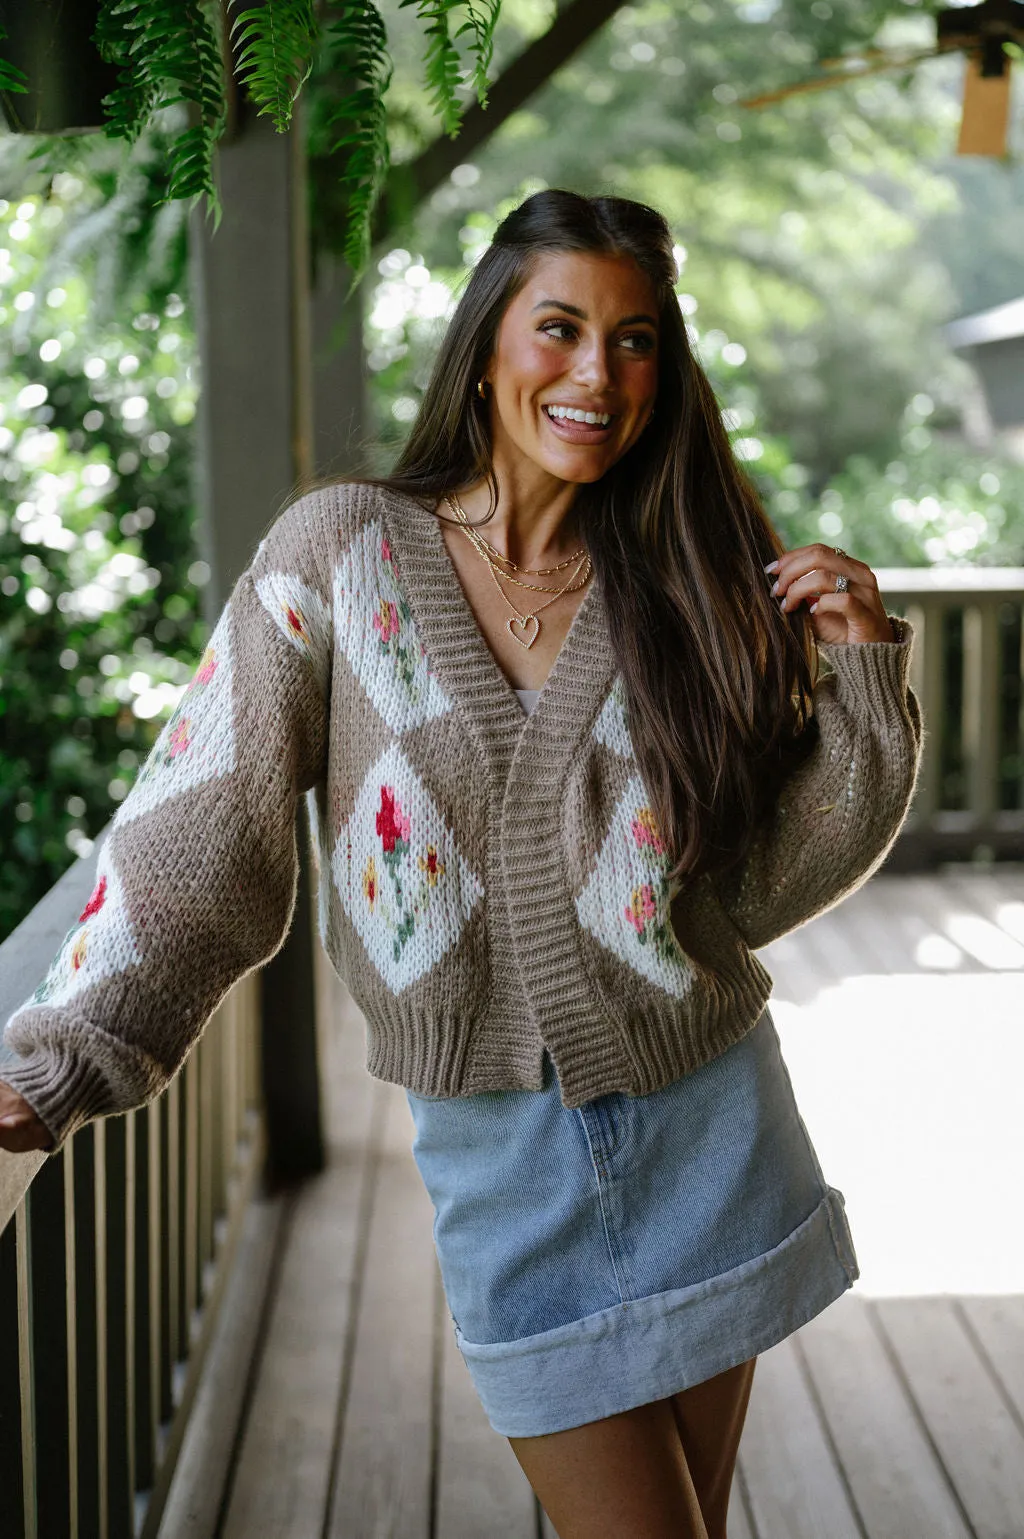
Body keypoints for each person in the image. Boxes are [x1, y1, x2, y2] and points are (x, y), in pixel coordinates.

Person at [0, 189, 921, 1538]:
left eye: (638, 340)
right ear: (488, 339)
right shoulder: (341, 554)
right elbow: (207, 827)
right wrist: (56, 1063)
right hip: (504, 1172)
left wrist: (858, 679)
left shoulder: (685, 584)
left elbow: (762, 879)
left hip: (711, 1129)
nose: (597, 373)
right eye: (560, 327)